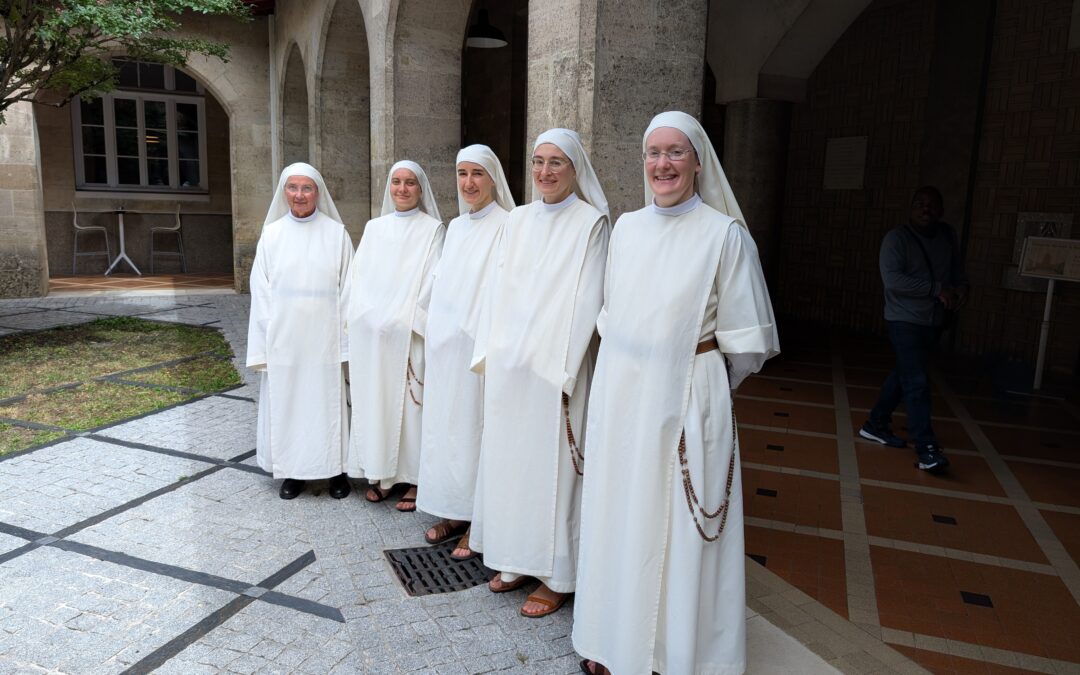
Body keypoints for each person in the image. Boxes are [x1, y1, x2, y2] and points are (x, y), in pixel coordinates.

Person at [573, 111, 779, 675]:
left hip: (690, 396)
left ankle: (674, 654)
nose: (662, 164)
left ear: (698, 162)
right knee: (623, 514)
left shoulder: (724, 235)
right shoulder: (628, 229)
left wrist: (700, 388)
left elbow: (746, 345)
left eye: (675, 152)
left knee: (679, 527)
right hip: (623, 398)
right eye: (653, 153)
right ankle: (614, 641)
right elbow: (613, 312)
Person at [469, 129, 609, 618]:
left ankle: (556, 576)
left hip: (554, 371)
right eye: (538, 161)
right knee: (512, 466)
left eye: (556, 162)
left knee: (555, 473)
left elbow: (587, 298)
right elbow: (497, 288)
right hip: (511, 366)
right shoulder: (518, 220)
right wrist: (494, 353)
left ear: (574, 168)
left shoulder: (592, 223)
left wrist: (558, 367)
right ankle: (514, 558)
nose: (545, 172)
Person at [416, 145, 515, 559]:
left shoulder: (508, 224)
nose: (469, 183)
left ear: (493, 178)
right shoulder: (455, 227)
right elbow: (439, 285)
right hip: (445, 352)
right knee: (447, 433)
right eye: (462, 173)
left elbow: (506, 288)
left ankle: (478, 522)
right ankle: (453, 510)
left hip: (479, 354)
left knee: (475, 432)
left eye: (477, 173)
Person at [246, 162, 354, 500]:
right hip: (286, 340)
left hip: (325, 339)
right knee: (289, 405)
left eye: (306, 188)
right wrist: (268, 337)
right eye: (293, 187)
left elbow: (349, 289)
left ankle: (335, 471)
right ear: (284, 192)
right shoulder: (272, 235)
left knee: (327, 406)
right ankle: (292, 473)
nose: (299, 195)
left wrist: (345, 343)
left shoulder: (336, 234)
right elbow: (260, 289)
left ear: (318, 192)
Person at [344, 161, 445, 511]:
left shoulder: (433, 230)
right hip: (374, 335)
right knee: (378, 403)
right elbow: (359, 277)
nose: (402, 189)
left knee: (411, 410)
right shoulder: (374, 228)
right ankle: (382, 474)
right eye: (397, 182)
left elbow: (433, 280)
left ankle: (415, 480)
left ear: (421, 189)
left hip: (408, 333)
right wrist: (365, 318)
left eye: (410, 183)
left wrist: (405, 320)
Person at [858, 186, 968, 472]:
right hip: (904, 320)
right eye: (919, 203)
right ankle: (926, 449)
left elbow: (957, 271)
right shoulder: (896, 239)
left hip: (934, 320)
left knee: (905, 373)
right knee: (916, 381)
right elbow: (893, 280)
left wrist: (959, 290)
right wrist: (936, 289)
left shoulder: (947, 235)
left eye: (931, 204)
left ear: (941, 209)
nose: (925, 209)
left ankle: (875, 423)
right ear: (910, 209)